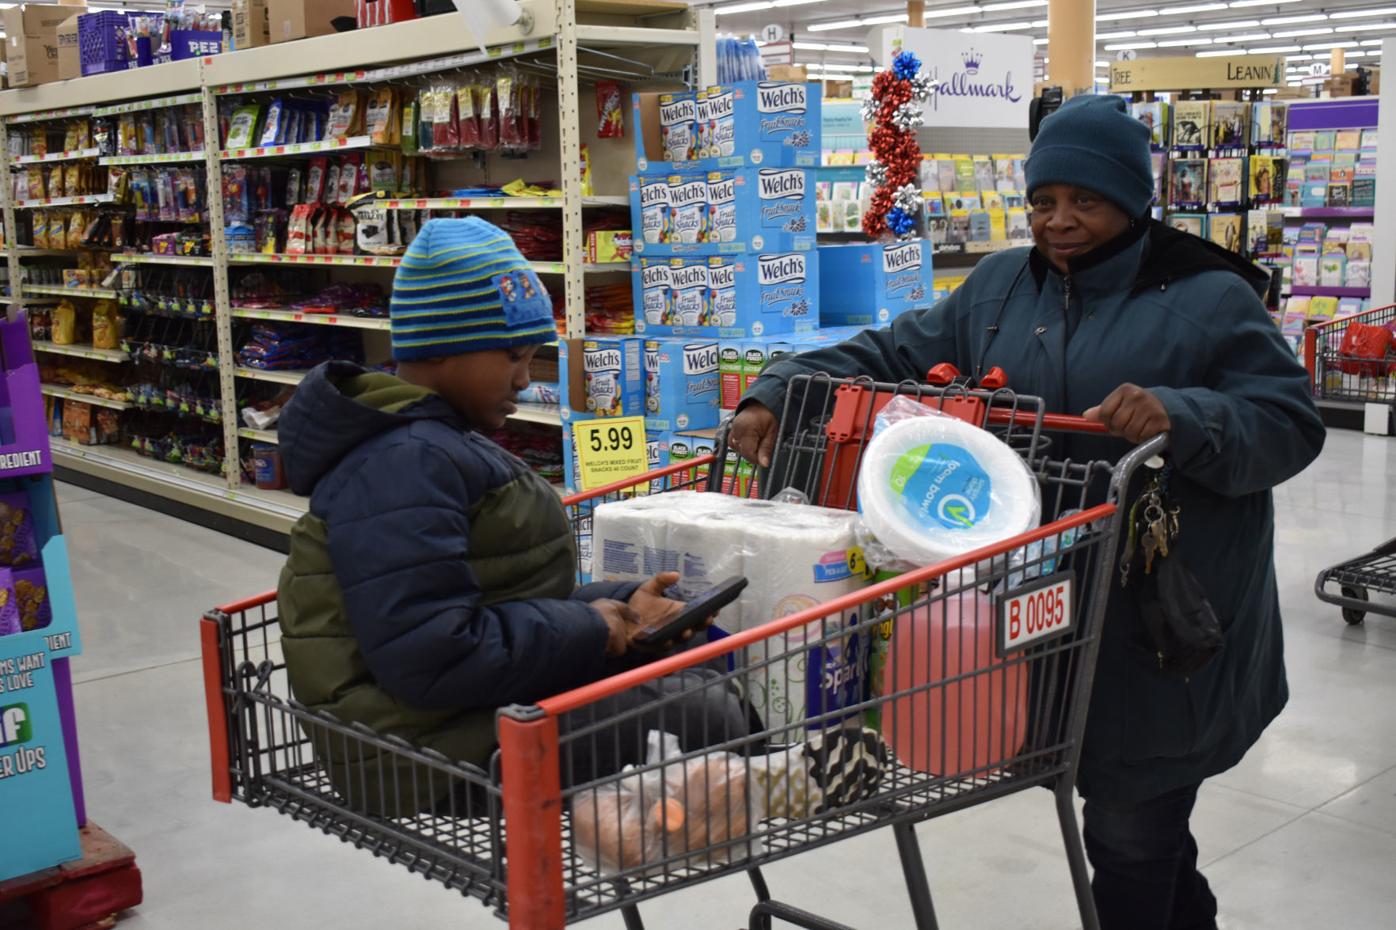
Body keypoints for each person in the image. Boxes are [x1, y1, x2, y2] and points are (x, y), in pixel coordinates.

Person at [730, 94, 1325, 930]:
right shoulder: (1000, 287)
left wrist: (1183, 417)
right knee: (1137, 825)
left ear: (1133, 200)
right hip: (1045, 610)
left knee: (1128, 829)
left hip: (1162, 618)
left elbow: (1291, 424)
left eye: (1085, 201)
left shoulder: (1208, 299)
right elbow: (891, 351)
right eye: (1045, 201)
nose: (1060, 221)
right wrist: (778, 390)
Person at [274, 217, 753, 816]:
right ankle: (797, 780)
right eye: (513, 357)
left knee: (687, 679)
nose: (526, 380)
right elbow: (432, 654)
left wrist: (623, 603)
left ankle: (783, 776)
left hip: (446, 717)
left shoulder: (428, 445)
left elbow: (482, 601)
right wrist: (595, 628)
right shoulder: (404, 463)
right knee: (701, 710)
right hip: (416, 753)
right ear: (444, 348)